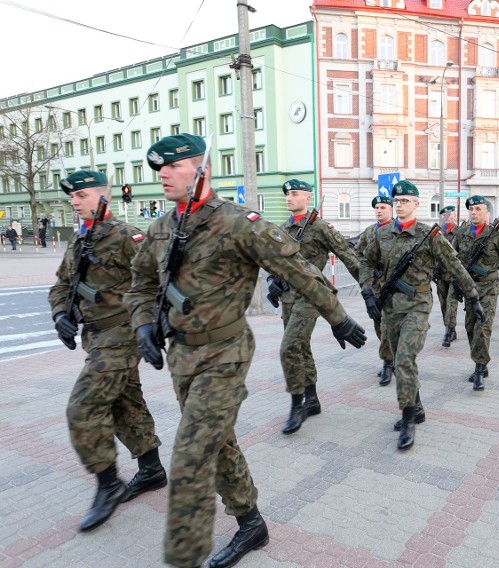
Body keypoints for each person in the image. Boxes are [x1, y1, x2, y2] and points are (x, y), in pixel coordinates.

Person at [124, 134, 366, 568]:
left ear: (202, 170)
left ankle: (185, 556)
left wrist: (339, 317)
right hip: (182, 356)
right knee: (218, 443)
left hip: (226, 354)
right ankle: (251, 523)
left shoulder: (240, 222)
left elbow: (301, 270)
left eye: (174, 166)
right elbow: (141, 284)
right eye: (158, 168)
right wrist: (143, 322)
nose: (162, 174)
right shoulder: (161, 228)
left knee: (192, 450)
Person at [48, 170, 167, 533]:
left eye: (81, 195)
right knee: (124, 403)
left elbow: (160, 280)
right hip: (95, 336)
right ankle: (151, 470)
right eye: (72, 196)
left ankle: (108, 482)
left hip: (122, 334)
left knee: (83, 408)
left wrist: (155, 328)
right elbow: (61, 285)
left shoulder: (126, 236)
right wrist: (60, 315)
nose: (74, 201)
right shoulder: (79, 239)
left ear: (104, 197)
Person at [358, 180, 483, 450]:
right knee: (399, 358)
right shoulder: (382, 234)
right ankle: (417, 407)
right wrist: (367, 292)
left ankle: (408, 420)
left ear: (416, 204)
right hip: (390, 306)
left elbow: (455, 265)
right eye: (397, 201)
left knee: (403, 360)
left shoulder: (430, 235)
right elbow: (366, 262)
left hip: (417, 305)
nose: (400, 205)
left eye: (405, 201)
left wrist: (472, 297)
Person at [267, 178, 362, 436]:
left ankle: (296, 404)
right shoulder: (282, 228)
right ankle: (312, 399)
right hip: (288, 297)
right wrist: (271, 282)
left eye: (295, 194)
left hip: (311, 297)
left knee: (289, 347)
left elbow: (348, 256)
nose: (289, 198)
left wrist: (368, 289)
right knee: (300, 346)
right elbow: (274, 262)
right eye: (287, 194)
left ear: (308, 198)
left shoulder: (321, 227)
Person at [454, 195, 499, 389]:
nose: (474, 213)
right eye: (471, 210)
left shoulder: (496, 234)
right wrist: (454, 285)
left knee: (482, 328)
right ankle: (481, 361)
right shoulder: (461, 234)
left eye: (478, 209)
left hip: (489, 288)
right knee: (470, 328)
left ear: (486, 213)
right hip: (470, 289)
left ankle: (479, 368)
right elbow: (453, 262)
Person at [354, 194, 395, 385]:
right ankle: (391, 357)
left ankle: (389, 362)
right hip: (376, 287)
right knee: (379, 324)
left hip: (396, 288)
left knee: (390, 326)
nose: (379, 211)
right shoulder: (370, 231)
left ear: (391, 209)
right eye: (377, 208)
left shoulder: (398, 230)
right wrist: (366, 277)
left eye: (383, 208)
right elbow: (358, 254)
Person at [435, 205, 462, 347]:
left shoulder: (460, 232)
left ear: (454, 216)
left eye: (449, 214)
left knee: (451, 303)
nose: (446, 217)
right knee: (443, 303)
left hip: (454, 276)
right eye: (443, 215)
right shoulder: (437, 233)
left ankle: (449, 330)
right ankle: (450, 327)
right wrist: (434, 269)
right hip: (440, 275)